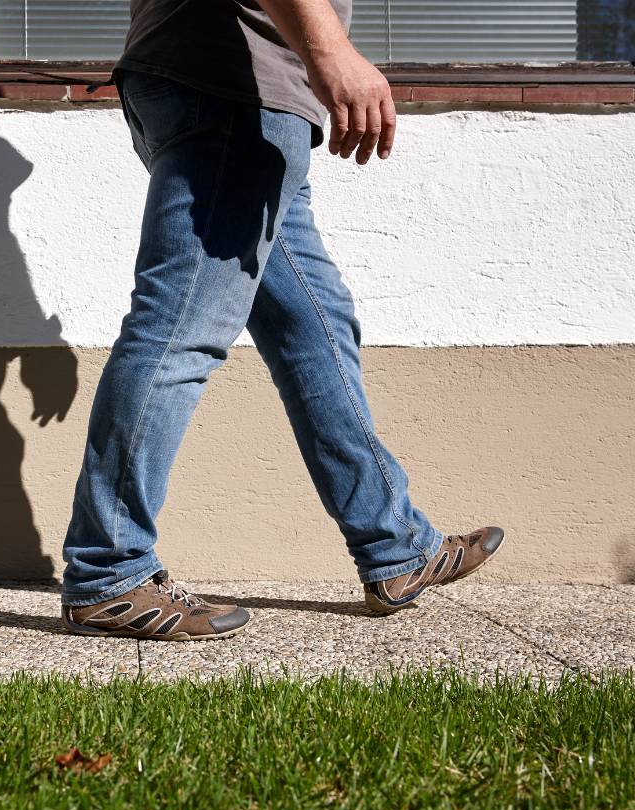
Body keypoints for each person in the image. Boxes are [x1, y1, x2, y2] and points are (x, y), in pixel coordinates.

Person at [59, 0, 505, 639]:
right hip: (233, 91)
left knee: (313, 323)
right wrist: (333, 54)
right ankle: (109, 572)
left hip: (232, 92)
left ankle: (395, 544)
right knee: (180, 329)